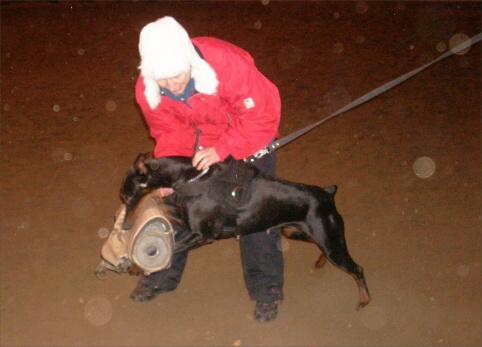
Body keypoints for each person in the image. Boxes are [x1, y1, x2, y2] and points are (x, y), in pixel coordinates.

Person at [131, 16, 284, 323]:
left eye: (178, 74)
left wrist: (224, 148)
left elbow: (263, 115)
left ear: (189, 60)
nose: (173, 85)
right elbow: (169, 133)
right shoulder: (148, 91)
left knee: (255, 216)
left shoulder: (227, 63)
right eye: (163, 79)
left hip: (247, 137)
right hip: (201, 146)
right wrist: (169, 175)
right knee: (178, 206)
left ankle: (265, 291)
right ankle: (161, 276)